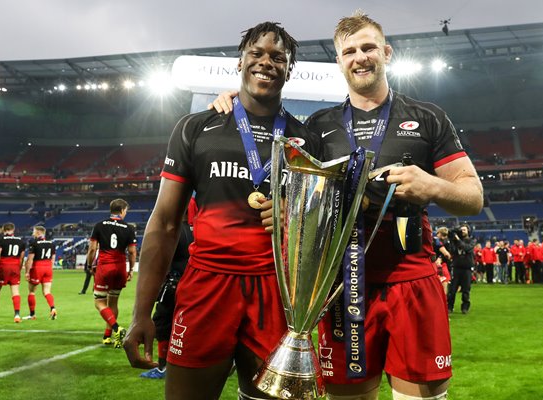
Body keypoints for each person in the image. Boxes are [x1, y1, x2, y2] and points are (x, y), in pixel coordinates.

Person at [210, 11, 483, 399]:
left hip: (410, 279)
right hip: (341, 291)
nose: (360, 57)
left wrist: (431, 185)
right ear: (339, 62)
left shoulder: (427, 118)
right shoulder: (318, 127)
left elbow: (473, 197)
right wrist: (234, 98)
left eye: (369, 47)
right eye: (349, 51)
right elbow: (275, 156)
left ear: (386, 53)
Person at [122, 22, 321, 400]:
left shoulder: (305, 140)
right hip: (207, 287)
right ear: (240, 62)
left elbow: (320, 225)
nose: (267, 62)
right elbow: (165, 224)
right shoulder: (196, 128)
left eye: (279, 57)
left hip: (276, 292)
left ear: (289, 69)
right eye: (257, 53)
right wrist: (140, 313)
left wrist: (293, 218)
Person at [139, 203, 194, 379]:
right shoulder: (194, 231)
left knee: (162, 323)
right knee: (185, 324)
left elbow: (162, 262)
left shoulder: (173, 232)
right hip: (191, 283)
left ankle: (163, 368)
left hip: (173, 284)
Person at [86, 198, 137, 347]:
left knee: (99, 302)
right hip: (120, 267)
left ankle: (116, 328)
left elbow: (92, 249)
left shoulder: (99, 225)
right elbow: (132, 252)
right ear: (122, 210)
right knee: (113, 302)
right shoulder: (129, 228)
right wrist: (131, 269)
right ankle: (108, 336)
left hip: (105, 267)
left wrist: (90, 265)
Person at [23, 226, 57, 320]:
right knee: (47, 291)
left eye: (34, 231)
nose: (33, 233)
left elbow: (30, 259)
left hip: (38, 267)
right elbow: (53, 258)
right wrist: (50, 267)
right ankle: (53, 308)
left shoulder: (34, 243)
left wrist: (27, 272)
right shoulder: (51, 243)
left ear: (38, 232)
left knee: (32, 292)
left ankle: (32, 314)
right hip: (48, 267)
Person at [0, 223, 26, 323]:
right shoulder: (21, 241)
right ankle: (17, 315)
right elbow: (22, 257)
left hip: (3, 265)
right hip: (15, 266)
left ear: (3, 230)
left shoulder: (0, 239)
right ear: (13, 230)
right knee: (15, 291)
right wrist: (19, 268)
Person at [447, 225, 475, 314]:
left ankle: (465, 308)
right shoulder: (455, 240)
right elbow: (449, 232)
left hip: (466, 268)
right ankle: (449, 307)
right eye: (461, 230)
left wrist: (458, 240)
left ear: (468, 231)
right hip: (456, 267)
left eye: (464, 230)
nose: (462, 231)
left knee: (466, 290)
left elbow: (467, 248)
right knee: (452, 290)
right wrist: (455, 234)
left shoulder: (471, 241)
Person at [433, 227, 452, 295]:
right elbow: (447, 254)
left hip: (440, 266)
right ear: (438, 233)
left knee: (443, 288)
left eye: (445, 235)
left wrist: (441, 258)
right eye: (442, 235)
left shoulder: (446, 242)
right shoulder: (436, 241)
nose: (443, 237)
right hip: (435, 266)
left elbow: (448, 255)